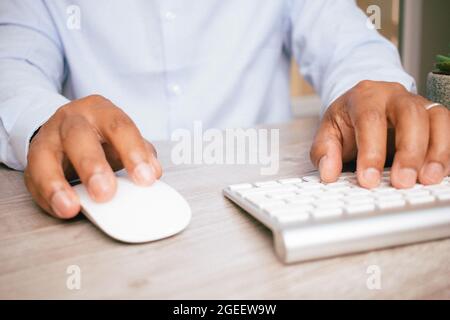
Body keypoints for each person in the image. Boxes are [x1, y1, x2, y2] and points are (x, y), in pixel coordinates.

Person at [0, 0, 448, 219]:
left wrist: (369, 90)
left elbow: (347, 40)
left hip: (267, 206)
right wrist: (44, 120)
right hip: (105, 206)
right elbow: (12, 63)